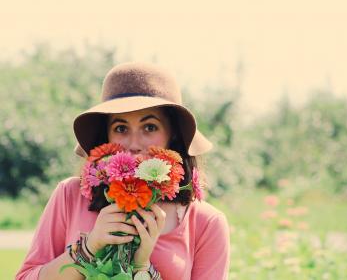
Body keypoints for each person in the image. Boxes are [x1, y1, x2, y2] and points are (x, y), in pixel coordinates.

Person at [16, 62, 230, 280]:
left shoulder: (205, 223)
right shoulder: (70, 195)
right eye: (121, 128)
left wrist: (143, 268)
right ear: (106, 136)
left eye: (150, 127)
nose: (134, 143)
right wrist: (90, 247)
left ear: (172, 134)